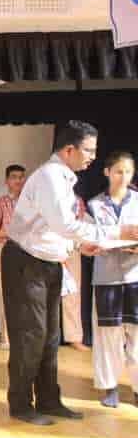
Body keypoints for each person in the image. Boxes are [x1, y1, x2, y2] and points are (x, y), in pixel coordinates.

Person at [2, 120, 138, 425]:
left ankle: (49, 400)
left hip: (48, 262)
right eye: (88, 150)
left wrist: (79, 245)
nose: (92, 157)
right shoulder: (50, 176)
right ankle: (21, 405)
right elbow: (64, 224)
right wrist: (117, 232)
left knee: (50, 336)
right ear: (68, 150)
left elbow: (54, 228)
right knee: (31, 335)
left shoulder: (64, 178)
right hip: (26, 262)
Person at [86, 151, 138, 408]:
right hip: (106, 278)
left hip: (135, 276)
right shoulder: (94, 205)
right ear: (107, 172)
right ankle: (110, 388)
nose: (123, 177)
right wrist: (93, 246)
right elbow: (86, 238)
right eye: (118, 171)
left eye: (128, 172)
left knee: (136, 335)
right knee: (107, 335)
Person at [0, 164, 27, 350]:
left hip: (30, 250)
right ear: (7, 181)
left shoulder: (32, 201)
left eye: (21, 177)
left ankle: (25, 337)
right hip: (7, 249)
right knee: (7, 292)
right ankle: (7, 337)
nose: (18, 180)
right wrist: (13, 233)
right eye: (14, 177)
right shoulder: (0, 202)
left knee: (28, 293)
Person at [62, 195, 88, 351]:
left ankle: (74, 337)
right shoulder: (45, 194)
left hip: (71, 249)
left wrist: (79, 245)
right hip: (46, 248)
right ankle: (42, 337)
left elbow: (80, 224)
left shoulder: (77, 200)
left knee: (72, 294)